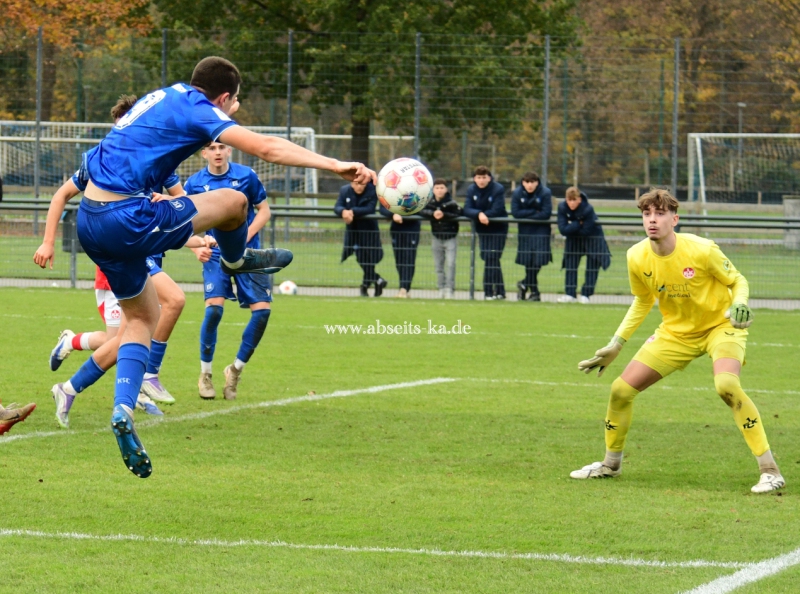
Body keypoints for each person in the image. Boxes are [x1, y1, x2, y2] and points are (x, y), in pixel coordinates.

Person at [67, 56, 374, 478]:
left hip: (89, 220)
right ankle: (236, 259)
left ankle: (123, 411)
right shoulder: (199, 109)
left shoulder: (161, 97)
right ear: (224, 98)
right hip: (125, 217)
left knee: (142, 318)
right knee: (235, 202)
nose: (233, 112)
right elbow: (268, 149)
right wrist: (336, 165)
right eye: (234, 104)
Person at [571, 188, 784, 494]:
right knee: (620, 390)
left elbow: (737, 280)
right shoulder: (635, 255)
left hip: (720, 327)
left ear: (675, 219)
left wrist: (742, 303)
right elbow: (642, 301)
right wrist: (616, 344)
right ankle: (610, 464)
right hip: (675, 333)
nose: (652, 220)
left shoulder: (702, 249)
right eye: (647, 214)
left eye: (659, 214)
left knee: (726, 386)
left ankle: (770, 469)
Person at [34, 94, 209, 425]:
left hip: (146, 252)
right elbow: (61, 195)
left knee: (126, 336)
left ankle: (74, 383)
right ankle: (144, 377)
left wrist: (196, 240)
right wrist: (47, 242)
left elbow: (183, 208)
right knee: (162, 308)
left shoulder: (162, 164)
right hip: (122, 259)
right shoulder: (105, 163)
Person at [183, 141, 272, 400]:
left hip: (249, 255)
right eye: (212, 148)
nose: (218, 152)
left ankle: (235, 370)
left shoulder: (246, 176)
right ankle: (205, 374)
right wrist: (196, 248)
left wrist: (245, 236)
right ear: (204, 154)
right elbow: (185, 222)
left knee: (263, 314)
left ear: (230, 150)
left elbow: (264, 211)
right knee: (213, 310)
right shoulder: (194, 184)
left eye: (222, 147)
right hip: (215, 255)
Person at [556, 187, 610, 304]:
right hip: (574, 241)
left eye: (574, 200)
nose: (571, 203)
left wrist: (571, 226)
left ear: (579, 199)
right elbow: (562, 229)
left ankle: (586, 294)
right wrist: (577, 224)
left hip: (592, 240)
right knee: (570, 266)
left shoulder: (588, 209)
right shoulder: (562, 207)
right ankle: (570, 294)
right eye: (569, 200)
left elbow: (586, 230)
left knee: (592, 268)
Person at [462, 166, 508, 300]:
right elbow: (467, 209)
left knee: (491, 257)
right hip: (482, 229)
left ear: (489, 178)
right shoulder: (471, 190)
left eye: (484, 177)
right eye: (478, 177)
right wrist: (479, 214)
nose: (481, 180)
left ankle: (488, 292)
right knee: (490, 258)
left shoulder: (497, 189)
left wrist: (486, 215)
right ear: (475, 178)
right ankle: (500, 292)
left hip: (498, 229)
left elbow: (498, 209)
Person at [334, 180, 386, 297]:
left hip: (369, 232)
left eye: (362, 184)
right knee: (361, 258)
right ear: (352, 183)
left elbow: (370, 208)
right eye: (356, 184)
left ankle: (366, 286)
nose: (359, 186)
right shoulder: (345, 190)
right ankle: (376, 280)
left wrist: (352, 212)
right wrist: (343, 212)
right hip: (354, 232)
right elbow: (337, 206)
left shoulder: (372, 190)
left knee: (371, 259)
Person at [511, 171, 552, 301]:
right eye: (527, 182)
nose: (529, 185)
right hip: (525, 231)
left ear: (537, 182)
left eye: (532, 182)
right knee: (528, 262)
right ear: (523, 183)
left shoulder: (545, 192)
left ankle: (524, 284)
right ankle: (534, 292)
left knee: (538, 261)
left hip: (541, 231)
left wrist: (527, 215)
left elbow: (546, 213)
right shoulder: (517, 193)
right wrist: (534, 212)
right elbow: (516, 213)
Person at [419, 179, 461, 299]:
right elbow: (422, 210)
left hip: (450, 237)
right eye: (437, 188)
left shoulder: (451, 203)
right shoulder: (430, 203)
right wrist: (433, 214)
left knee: (451, 264)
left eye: (442, 188)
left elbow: (459, 213)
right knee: (438, 266)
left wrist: (444, 215)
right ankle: (441, 288)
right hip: (436, 237)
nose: (439, 190)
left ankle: (449, 289)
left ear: (446, 189)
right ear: (433, 190)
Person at [379, 197, 420, 298]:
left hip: (411, 229)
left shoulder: (415, 191)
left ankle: (404, 288)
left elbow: (419, 209)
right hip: (396, 229)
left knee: (409, 259)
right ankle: (404, 289)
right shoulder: (391, 190)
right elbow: (383, 208)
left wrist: (402, 214)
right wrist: (393, 214)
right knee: (399, 261)